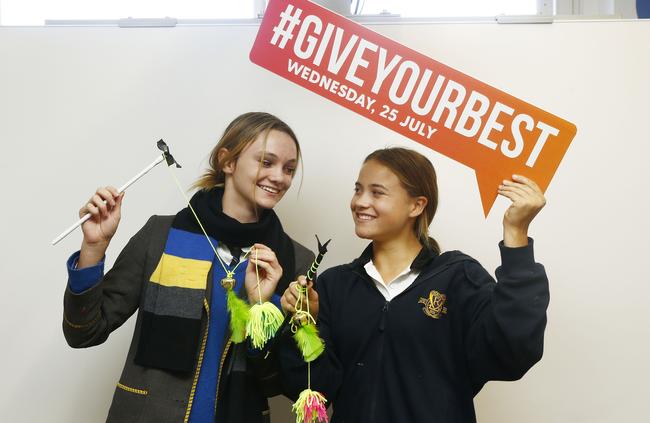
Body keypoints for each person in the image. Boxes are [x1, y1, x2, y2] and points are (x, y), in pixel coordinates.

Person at [63, 112, 314, 423]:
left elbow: (279, 382)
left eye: (289, 169)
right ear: (228, 161)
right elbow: (84, 332)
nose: (280, 177)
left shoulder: (297, 262)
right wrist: (93, 249)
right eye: (266, 162)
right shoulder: (161, 236)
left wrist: (261, 307)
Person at [279, 147, 549, 422]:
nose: (360, 201)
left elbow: (513, 352)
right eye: (358, 190)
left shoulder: (457, 278)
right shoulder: (334, 284)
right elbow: (314, 390)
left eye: (377, 192)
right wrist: (305, 325)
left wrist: (516, 235)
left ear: (417, 205)